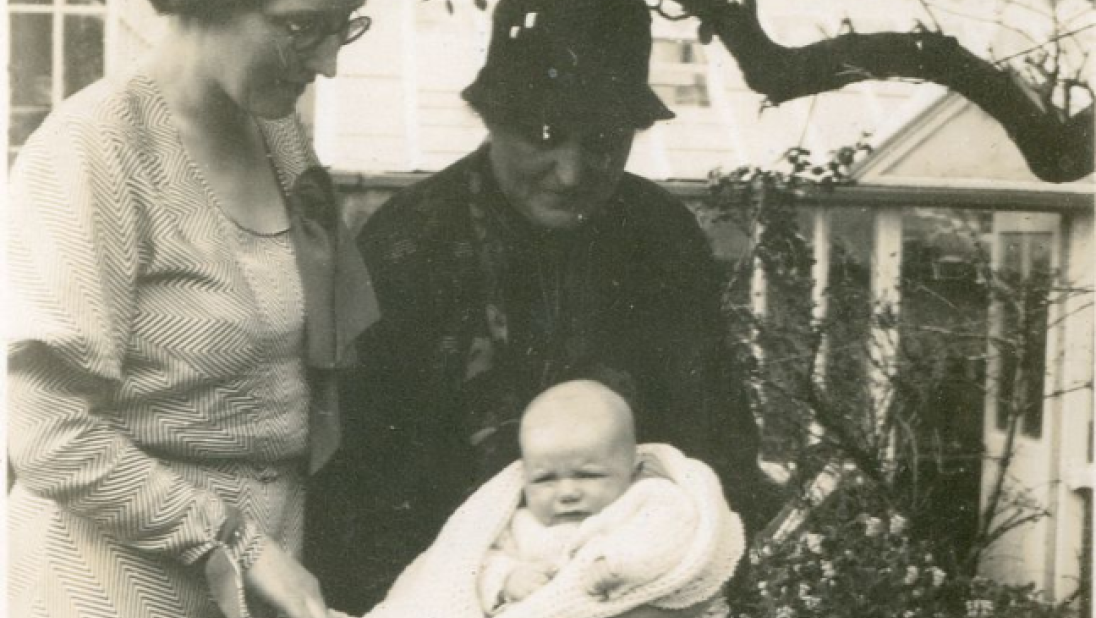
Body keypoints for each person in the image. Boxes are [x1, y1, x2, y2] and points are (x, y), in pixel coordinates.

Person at [307, 0, 780, 611]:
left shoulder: (662, 237)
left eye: (604, 141)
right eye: (546, 136)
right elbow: (354, 475)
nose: (570, 173)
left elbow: (714, 440)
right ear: (492, 117)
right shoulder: (409, 243)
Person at [6, 1, 377, 617]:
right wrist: (237, 541)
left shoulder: (278, 132)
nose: (329, 61)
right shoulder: (91, 150)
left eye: (346, 24)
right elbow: (49, 433)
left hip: (258, 583)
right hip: (108, 583)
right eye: (303, 26)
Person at [360, 380, 744, 618]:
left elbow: (670, 531)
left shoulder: (645, 498)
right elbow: (476, 563)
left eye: (588, 475)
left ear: (631, 464)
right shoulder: (521, 522)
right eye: (544, 479)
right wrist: (507, 579)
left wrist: (618, 563)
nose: (566, 493)